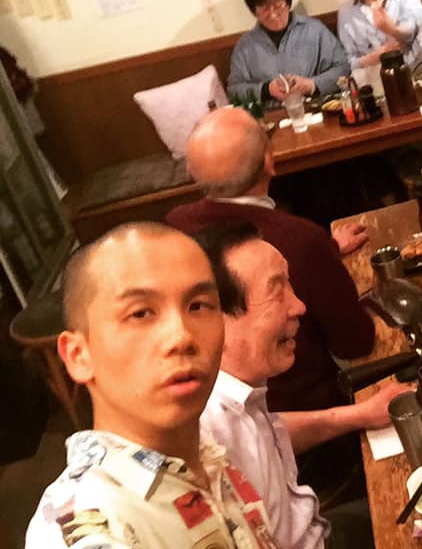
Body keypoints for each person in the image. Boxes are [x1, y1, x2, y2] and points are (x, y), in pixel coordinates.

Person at [167, 107, 377, 508]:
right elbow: (356, 342)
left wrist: (326, 250)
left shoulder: (175, 227)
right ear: (269, 160)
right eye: (278, 287)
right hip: (317, 445)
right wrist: (318, 252)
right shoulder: (299, 239)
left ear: (193, 173)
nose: (296, 305)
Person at [26, 223, 281, 548]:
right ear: (78, 355)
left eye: (198, 305)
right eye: (141, 313)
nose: (181, 337)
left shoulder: (207, 457)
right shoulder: (90, 527)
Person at [197, 223, 408, 549]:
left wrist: (361, 414)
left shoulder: (238, 394)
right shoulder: (204, 432)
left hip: (317, 527)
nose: (299, 306)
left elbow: (268, 431)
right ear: (216, 321)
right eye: (276, 290)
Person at [228, 0, 349, 104]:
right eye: (264, 8)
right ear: (254, 11)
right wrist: (267, 90)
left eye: (277, 6)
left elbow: (343, 68)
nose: (273, 15)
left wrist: (311, 84)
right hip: (271, 115)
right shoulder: (245, 46)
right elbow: (233, 91)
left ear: (288, 2)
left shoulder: (314, 30)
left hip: (313, 108)